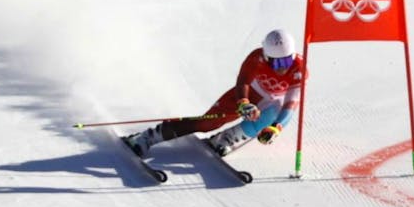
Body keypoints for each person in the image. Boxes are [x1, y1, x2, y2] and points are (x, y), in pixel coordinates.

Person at [124, 29, 306, 157]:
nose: (282, 68)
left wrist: (276, 127)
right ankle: (147, 137)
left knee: (274, 112)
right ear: (266, 56)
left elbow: (292, 102)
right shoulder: (256, 58)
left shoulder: (299, 67)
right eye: (276, 63)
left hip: (272, 101)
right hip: (252, 93)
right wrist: (244, 102)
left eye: (286, 61)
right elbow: (243, 82)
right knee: (206, 123)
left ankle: (225, 139)